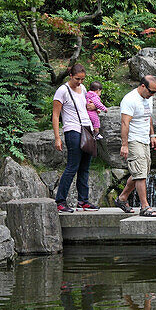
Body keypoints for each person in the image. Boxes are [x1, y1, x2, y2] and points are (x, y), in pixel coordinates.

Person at [52, 63, 98, 213]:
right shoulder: (62, 91)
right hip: (72, 131)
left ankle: (83, 201)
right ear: (71, 75)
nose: (80, 82)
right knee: (72, 166)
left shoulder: (83, 89)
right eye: (77, 78)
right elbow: (55, 115)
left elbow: (84, 107)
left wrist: (93, 107)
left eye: (83, 79)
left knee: (85, 167)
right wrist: (57, 137)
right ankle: (60, 201)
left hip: (87, 130)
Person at [115, 75, 156, 217]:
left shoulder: (148, 98)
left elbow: (149, 117)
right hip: (134, 140)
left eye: (155, 92)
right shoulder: (129, 100)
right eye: (151, 91)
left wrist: (152, 135)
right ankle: (144, 207)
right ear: (142, 86)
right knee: (140, 175)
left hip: (145, 139)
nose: (152, 95)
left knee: (141, 172)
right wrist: (125, 144)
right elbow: (124, 123)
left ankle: (122, 198)